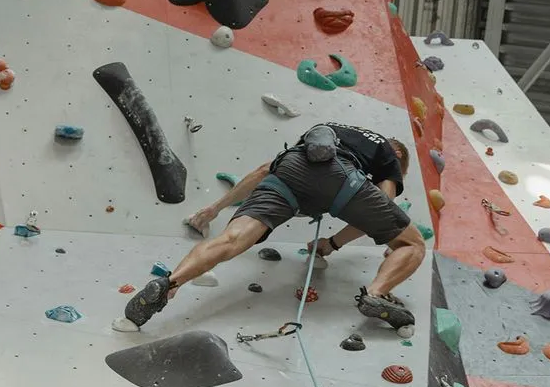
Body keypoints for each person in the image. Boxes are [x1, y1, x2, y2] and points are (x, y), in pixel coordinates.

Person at [123, 123, 425, 330]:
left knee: (232, 239)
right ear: (399, 156)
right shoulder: (388, 153)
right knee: (412, 244)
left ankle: (170, 283)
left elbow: (264, 170)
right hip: (341, 179)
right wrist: (334, 244)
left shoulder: (332, 131)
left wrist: (214, 209)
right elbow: (381, 207)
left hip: (289, 170)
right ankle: (375, 294)